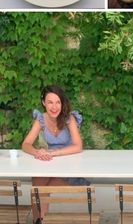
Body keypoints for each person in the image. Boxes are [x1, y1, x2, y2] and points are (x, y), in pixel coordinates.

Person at [22, 85, 89, 223]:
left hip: (69, 165)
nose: (54, 107)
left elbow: (78, 146)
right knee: (37, 182)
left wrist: (54, 153)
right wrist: (37, 152)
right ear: (43, 103)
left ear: (62, 103)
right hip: (51, 163)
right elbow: (26, 144)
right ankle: (39, 221)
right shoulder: (41, 118)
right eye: (50, 102)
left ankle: (41, 220)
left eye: (58, 102)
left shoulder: (69, 118)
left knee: (41, 189)